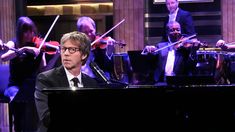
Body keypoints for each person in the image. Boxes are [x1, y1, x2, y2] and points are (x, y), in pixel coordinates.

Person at [34, 31, 99, 132]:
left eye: (72, 49)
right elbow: (47, 118)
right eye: (63, 49)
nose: (66, 53)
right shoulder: (45, 79)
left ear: (84, 55)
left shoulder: (92, 83)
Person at [1, 16, 46, 132]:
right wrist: (24, 49)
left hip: (31, 86)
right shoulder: (14, 43)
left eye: (31, 31)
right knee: (18, 101)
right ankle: (19, 128)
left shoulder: (39, 46)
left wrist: (56, 55)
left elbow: (44, 70)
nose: (29, 34)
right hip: (14, 86)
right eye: (25, 31)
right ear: (20, 32)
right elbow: (4, 57)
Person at [76, 16, 115, 82]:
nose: (89, 34)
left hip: (100, 82)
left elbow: (108, 67)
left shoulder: (100, 45)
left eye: (91, 31)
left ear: (95, 29)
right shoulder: (76, 47)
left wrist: (109, 53)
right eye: (85, 32)